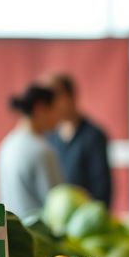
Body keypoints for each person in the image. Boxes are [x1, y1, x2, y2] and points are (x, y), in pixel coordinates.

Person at [42, 73, 112, 206]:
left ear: (71, 97)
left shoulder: (93, 136)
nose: (52, 104)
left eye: (55, 97)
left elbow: (102, 190)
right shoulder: (50, 138)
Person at [0, 84, 64, 219]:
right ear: (40, 108)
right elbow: (58, 206)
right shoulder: (42, 151)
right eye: (55, 110)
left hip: (10, 229)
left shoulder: (5, 146)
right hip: (36, 231)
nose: (58, 117)